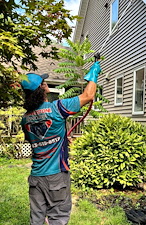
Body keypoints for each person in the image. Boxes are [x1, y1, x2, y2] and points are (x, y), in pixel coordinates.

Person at [20, 61, 101, 225]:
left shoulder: (25, 119)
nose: (47, 84)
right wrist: (94, 73)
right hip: (56, 176)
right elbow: (88, 96)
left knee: (36, 220)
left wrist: (60, 138)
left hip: (36, 177)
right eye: (44, 82)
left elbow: (39, 139)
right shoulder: (57, 108)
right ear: (42, 88)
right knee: (58, 219)